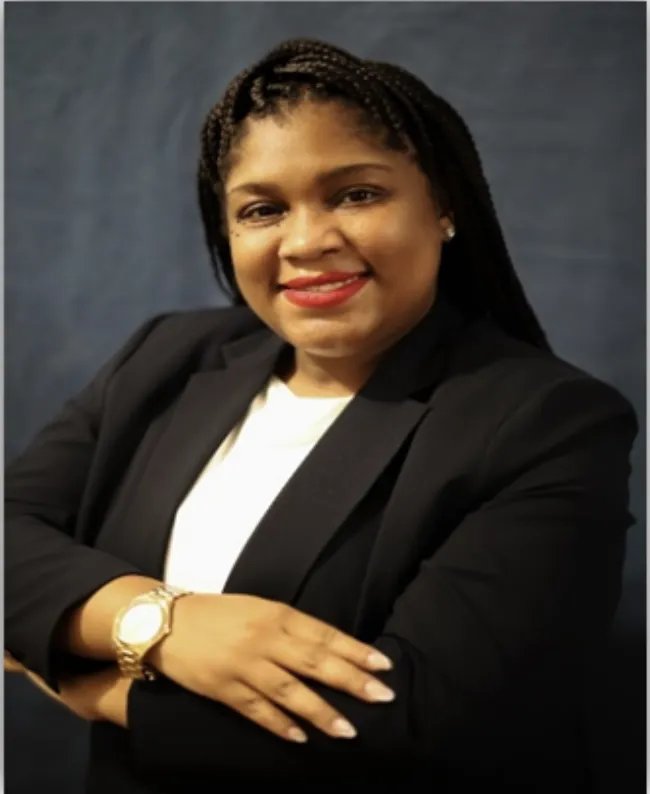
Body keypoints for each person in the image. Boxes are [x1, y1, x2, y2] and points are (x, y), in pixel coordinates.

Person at [5, 37, 637, 794]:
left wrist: (101, 689)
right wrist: (160, 623)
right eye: (263, 209)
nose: (307, 241)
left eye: (356, 194)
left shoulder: (548, 422)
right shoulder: (166, 358)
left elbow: (418, 726)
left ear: (444, 206)